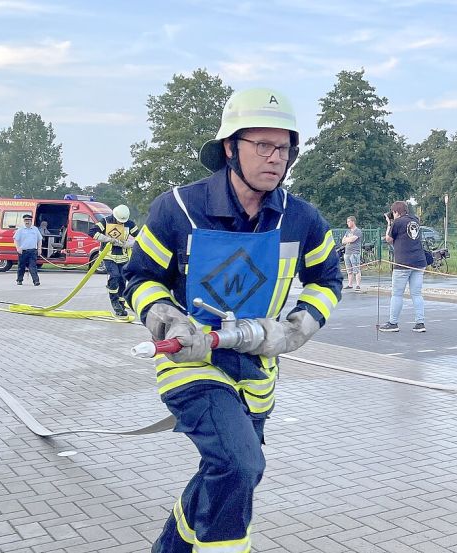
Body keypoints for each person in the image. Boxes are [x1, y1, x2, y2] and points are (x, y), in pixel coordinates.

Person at [125, 88, 342, 553]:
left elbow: (329, 279)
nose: (274, 157)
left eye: (282, 147)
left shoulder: (300, 219)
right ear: (230, 148)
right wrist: (167, 319)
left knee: (230, 471)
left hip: (257, 372)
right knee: (239, 466)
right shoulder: (179, 209)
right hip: (192, 366)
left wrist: (297, 328)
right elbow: (139, 277)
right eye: (261, 145)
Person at [379, 201, 427, 333]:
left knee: (397, 294)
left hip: (403, 263)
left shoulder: (397, 222)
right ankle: (420, 323)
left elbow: (389, 238)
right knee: (416, 294)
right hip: (419, 261)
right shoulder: (415, 220)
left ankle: (393, 323)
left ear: (396, 212)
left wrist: (389, 223)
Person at [89, 204, 139, 317]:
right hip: (108, 256)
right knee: (115, 276)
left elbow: (140, 236)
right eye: (119, 220)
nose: (121, 223)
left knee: (122, 279)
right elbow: (92, 232)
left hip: (123, 256)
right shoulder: (105, 222)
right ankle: (115, 302)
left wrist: (130, 244)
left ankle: (121, 302)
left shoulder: (130, 224)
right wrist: (109, 239)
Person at [13, 213, 41, 286]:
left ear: (31, 221)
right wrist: (18, 248)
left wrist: (39, 248)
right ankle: (19, 280)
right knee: (21, 267)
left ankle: (36, 281)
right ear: (24, 221)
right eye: (25, 220)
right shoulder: (20, 230)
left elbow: (39, 239)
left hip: (32, 251)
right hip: (23, 251)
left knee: (33, 267)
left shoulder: (35, 229)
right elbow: (15, 240)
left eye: (28, 220)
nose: (27, 222)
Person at [341, 216, 363, 291]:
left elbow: (353, 239)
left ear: (353, 221)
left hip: (354, 253)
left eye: (348, 221)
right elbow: (343, 241)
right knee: (349, 270)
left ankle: (358, 285)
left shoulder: (358, 231)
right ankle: (350, 284)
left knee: (356, 269)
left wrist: (348, 239)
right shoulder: (348, 231)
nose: (347, 223)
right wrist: (348, 240)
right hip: (347, 252)